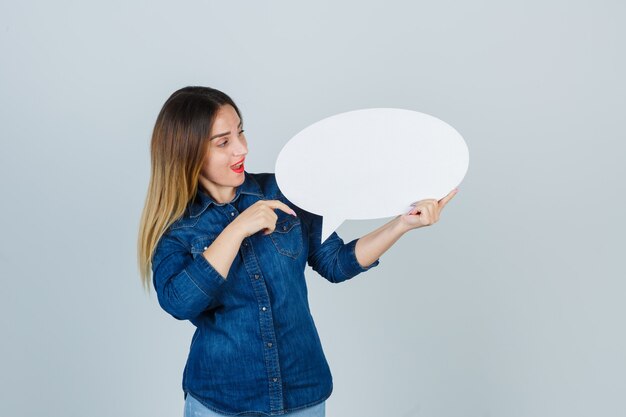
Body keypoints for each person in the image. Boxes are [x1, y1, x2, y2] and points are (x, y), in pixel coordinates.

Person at [137, 86, 458, 417]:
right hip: (222, 402)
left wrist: (402, 224)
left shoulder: (282, 191)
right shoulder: (177, 229)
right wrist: (236, 230)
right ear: (189, 152)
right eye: (223, 142)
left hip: (302, 395)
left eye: (241, 132)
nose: (242, 148)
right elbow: (179, 302)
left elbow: (336, 263)